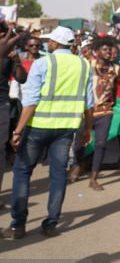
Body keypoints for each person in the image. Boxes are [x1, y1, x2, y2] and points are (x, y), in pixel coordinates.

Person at [3, 26, 93, 239]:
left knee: (23, 172)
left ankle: (18, 226)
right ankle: (51, 224)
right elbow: (89, 101)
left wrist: (17, 130)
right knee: (58, 174)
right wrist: (87, 128)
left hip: (39, 126)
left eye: (49, 41)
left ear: (55, 43)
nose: (46, 44)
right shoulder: (83, 64)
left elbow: (31, 101)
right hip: (66, 127)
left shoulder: (43, 63)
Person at [73, 37, 120, 191]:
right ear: (97, 51)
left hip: (105, 111)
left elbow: (115, 87)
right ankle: (78, 165)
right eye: (105, 49)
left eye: (110, 49)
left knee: (100, 144)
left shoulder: (116, 68)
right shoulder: (88, 65)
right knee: (79, 143)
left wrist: (111, 101)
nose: (108, 52)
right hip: (87, 110)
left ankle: (94, 178)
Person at [0, 26, 29, 208]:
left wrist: (17, 61)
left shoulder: (11, 55)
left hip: (2, 104)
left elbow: (22, 79)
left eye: (5, 36)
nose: (5, 40)